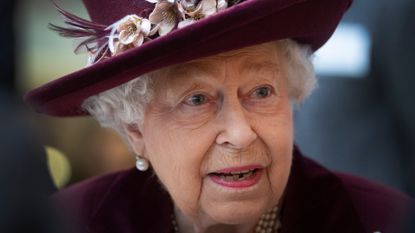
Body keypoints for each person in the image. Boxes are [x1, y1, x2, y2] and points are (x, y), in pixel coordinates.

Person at [24, 0, 414, 232]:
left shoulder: (382, 220)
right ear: (133, 127)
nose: (241, 134)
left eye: (262, 92)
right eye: (196, 99)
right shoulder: (68, 224)